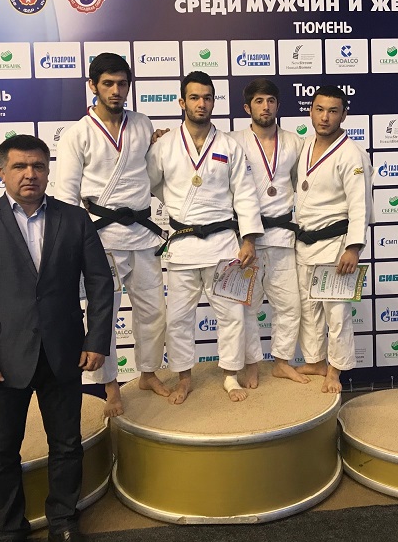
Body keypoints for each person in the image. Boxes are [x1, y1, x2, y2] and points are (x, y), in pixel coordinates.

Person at [0, 134, 113, 542]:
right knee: (2, 452)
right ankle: (9, 530)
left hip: (63, 353)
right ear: (1, 173)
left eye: (38, 166)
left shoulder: (75, 219)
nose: (29, 174)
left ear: (48, 171)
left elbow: (100, 283)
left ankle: (63, 520)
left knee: (67, 444)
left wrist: (96, 341)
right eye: (19, 166)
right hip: (0, 359)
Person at [53, 52, 169, 416]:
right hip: (101, 240)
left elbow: (151, 173)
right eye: (107, 84)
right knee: (104, 317)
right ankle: (110, 385)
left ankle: (148, 373)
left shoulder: (142, 124)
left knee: (153, 311)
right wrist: (73, 245)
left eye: (122, 84)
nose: (116, 90)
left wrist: (161, 143)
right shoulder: (77, 134)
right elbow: (66, 195)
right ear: (92, 85)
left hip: (142, 234)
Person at [146, 71, 263, 404]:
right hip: (183, 245)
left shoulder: (228, 145)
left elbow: (244, 193)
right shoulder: (164, 146)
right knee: (178, 318)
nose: (202, 103)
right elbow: (149, 184)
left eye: (207, 98)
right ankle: (184, 378)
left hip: (223, 243)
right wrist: (177, 206)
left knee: (232, 315)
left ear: (214, 102)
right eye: (195, 97)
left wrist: (249, 239)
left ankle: (230, 375)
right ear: (182, 102)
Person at [294, 85, 373, 394]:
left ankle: (335, 370)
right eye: (319, 109)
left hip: (336, 243)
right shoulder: (305, 146)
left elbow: (359, 204)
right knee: (309, 308)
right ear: (310, 111)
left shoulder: (351, 153)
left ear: (344, 115)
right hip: (305, 242)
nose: (325, 117)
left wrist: (353, 248)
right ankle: (315, 361)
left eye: (332, 111)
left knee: (336, 314)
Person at [233, 78, 308, 386]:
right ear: (247, 107)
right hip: (246, 238)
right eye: (259, 101)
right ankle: (251, 364)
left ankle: (281, 361)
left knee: (290, 305)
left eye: (271, 101)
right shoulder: (233, 141)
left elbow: (304, 182)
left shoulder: (295, 142)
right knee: (247, 307)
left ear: (278, 105)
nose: (266, 107)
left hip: (282, 237)